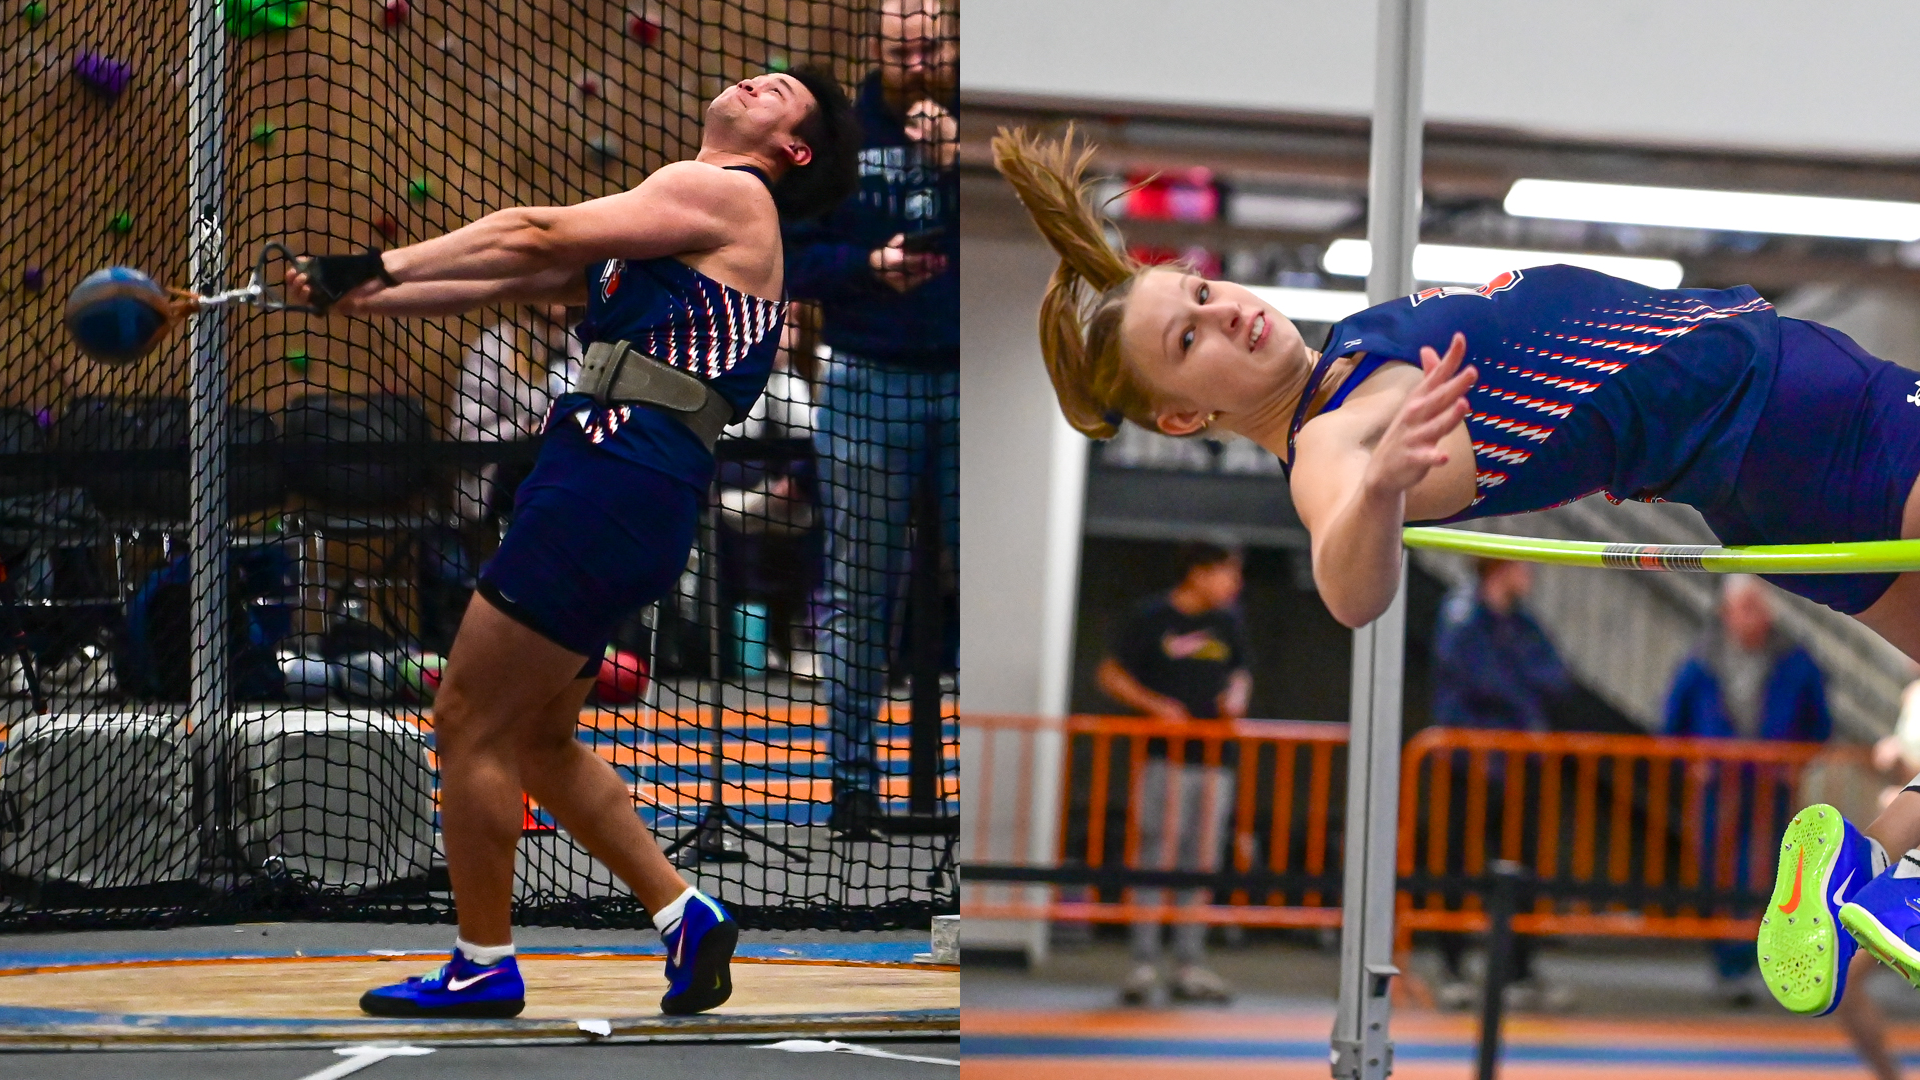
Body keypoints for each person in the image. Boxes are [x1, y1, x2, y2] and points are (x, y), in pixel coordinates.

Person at [987, 126, 1920, 1022]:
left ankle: (1870, 870)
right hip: (1793, 408)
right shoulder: (1329, 447)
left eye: (1195, 291)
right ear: (1186, 420)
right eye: (1189, 344)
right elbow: (1353, 591)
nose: (1222, 310)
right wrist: (1381, 491)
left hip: (1755, 481)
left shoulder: (1343, 360)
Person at [281, 70, 858, 1019]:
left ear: (792, 150)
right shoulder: (670, 235)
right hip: (630, 487)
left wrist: (372, 257)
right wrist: (354, 293)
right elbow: (506, 275)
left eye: (780, 91)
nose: (756, 79)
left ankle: (481, 964)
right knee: (543, 742)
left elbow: (529, 230)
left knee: (466, 719)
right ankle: (684, 912)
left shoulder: (726, 191)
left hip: (610, 479)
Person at [784, 0, 958, 838]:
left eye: (932, 45)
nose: (919, 62)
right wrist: (870, 264)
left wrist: (957, 162)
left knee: (977, 577)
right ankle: (853, 784)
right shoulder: (842, 137)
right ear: (876, 49)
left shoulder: (978, 133)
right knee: (862, 591)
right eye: (904, 48)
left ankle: (973, 797)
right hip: (865, 381)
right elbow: (791, 258)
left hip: (966, 382)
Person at [1662, 575, 1830, 1005]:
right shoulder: (1703, 659)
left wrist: (1799, 761)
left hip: (1771, 784)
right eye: (1744, 607)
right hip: (1719, 786)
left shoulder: (1793, 659)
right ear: (1726, 611)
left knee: (1772, 874)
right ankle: (1728, 962)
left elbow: (1819, 721)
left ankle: (1758, 961)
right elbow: (1672, 723)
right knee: (1715, 870)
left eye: (1758, 605)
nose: (1752, 616)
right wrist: (1691, 762)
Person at [1096, 541, 1250, 1006]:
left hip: (1215, 762)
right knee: (1154, 857)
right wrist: (1155, 706)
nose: (1233, 584)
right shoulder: (1151, 617)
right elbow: (1111, 673)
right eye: (1226, 572)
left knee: (1200, 863)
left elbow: (1240, 672)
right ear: (1198, 573)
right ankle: (1143, 962)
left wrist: (1237, 696)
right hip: (1163, 759)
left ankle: (1189, 964)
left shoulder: (1229, 622)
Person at [1428, 559, 1572, 1011]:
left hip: (1517, 765)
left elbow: (1557, 677)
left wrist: (1518, 693)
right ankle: (1451, 968)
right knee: (1456, 864)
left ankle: (1518, 970)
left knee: (1521, 865)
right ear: (1499, 568)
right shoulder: (1462, 614)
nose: (1529, 573)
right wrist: (1520, 699)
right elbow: (1474, 676)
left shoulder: (1523, 622)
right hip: (1468, 763)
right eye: (1521, 566)